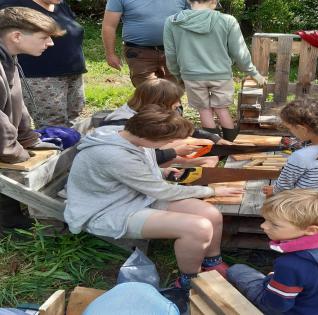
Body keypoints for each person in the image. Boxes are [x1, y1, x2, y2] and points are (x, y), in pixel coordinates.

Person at [64, 107, 242, 296]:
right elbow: (161, 190)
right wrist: (211, 190)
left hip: (137, 194)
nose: (171, 144)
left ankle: (212, 263)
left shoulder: (131, 136)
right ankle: (188, 281)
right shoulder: (113, 155)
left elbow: (140, 170)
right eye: (168, 141)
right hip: (108, 208)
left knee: (211, 214)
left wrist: (163, 172)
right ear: (148, 138)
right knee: (198, 228)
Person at [227, 189, 318, 315]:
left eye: (274, 224)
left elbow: (277, 306)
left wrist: (271, 282)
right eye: (265, 220)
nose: (263, 226)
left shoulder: (290, 265)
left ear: (311, 230)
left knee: (237, 270)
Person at [163, 0, 266, 141]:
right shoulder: (227, 20)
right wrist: (253, 72)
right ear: (214, 0)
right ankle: (230, 145)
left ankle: (215, 147)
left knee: (204, 110)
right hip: (221, 75)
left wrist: (177, 74)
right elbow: (239, 52)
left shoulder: (172, 21)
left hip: (191, 75)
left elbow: (170, 53)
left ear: (188, 0)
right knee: (222, 108)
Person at [0, 7, 64, 229]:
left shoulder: (9, 58)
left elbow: (17, 104)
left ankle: (9, 215)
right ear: (16, 36)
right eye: (44, 37)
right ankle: (6, 222)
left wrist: (29, 139)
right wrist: (13, 151)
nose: (50, 43)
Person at [100, 78, 231, 167]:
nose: (178, 104)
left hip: (154, 157)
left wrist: (214, 138)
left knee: (206, 145)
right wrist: (174, 152)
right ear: (158, 102)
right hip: (138, 164)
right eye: (174, 101)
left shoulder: (153, 112)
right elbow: (137, 157)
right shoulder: (122, 123)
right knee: (195, 145)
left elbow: (180, 127)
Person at [0, 0, 86, 128]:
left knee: (74, 121)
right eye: (45, 37)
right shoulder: (12, 4)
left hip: (72, 69)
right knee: (53, 125)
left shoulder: (61, 5)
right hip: (40, 74)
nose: (51, 42)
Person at [102, 0, 188, 87]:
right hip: (139, 53)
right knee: (148, 92)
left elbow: (195, 18)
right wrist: (110, 54)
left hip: (174, 52)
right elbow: (109, 26)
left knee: (174, 91)